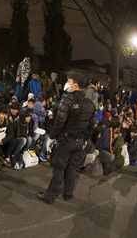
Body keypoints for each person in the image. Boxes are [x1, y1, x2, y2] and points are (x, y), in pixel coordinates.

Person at [37, 74, 95, 204]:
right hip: (79, 142)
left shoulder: (68, 99)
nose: (66, 84)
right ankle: (68, 194)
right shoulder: (90, 104)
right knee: (72, 169)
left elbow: (59, 121)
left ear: (75, 85)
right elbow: (92, 125)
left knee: (59, 168)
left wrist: (52, 136)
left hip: (66, 140)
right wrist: (85, 139)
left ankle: (50, 196)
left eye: (69, 81)